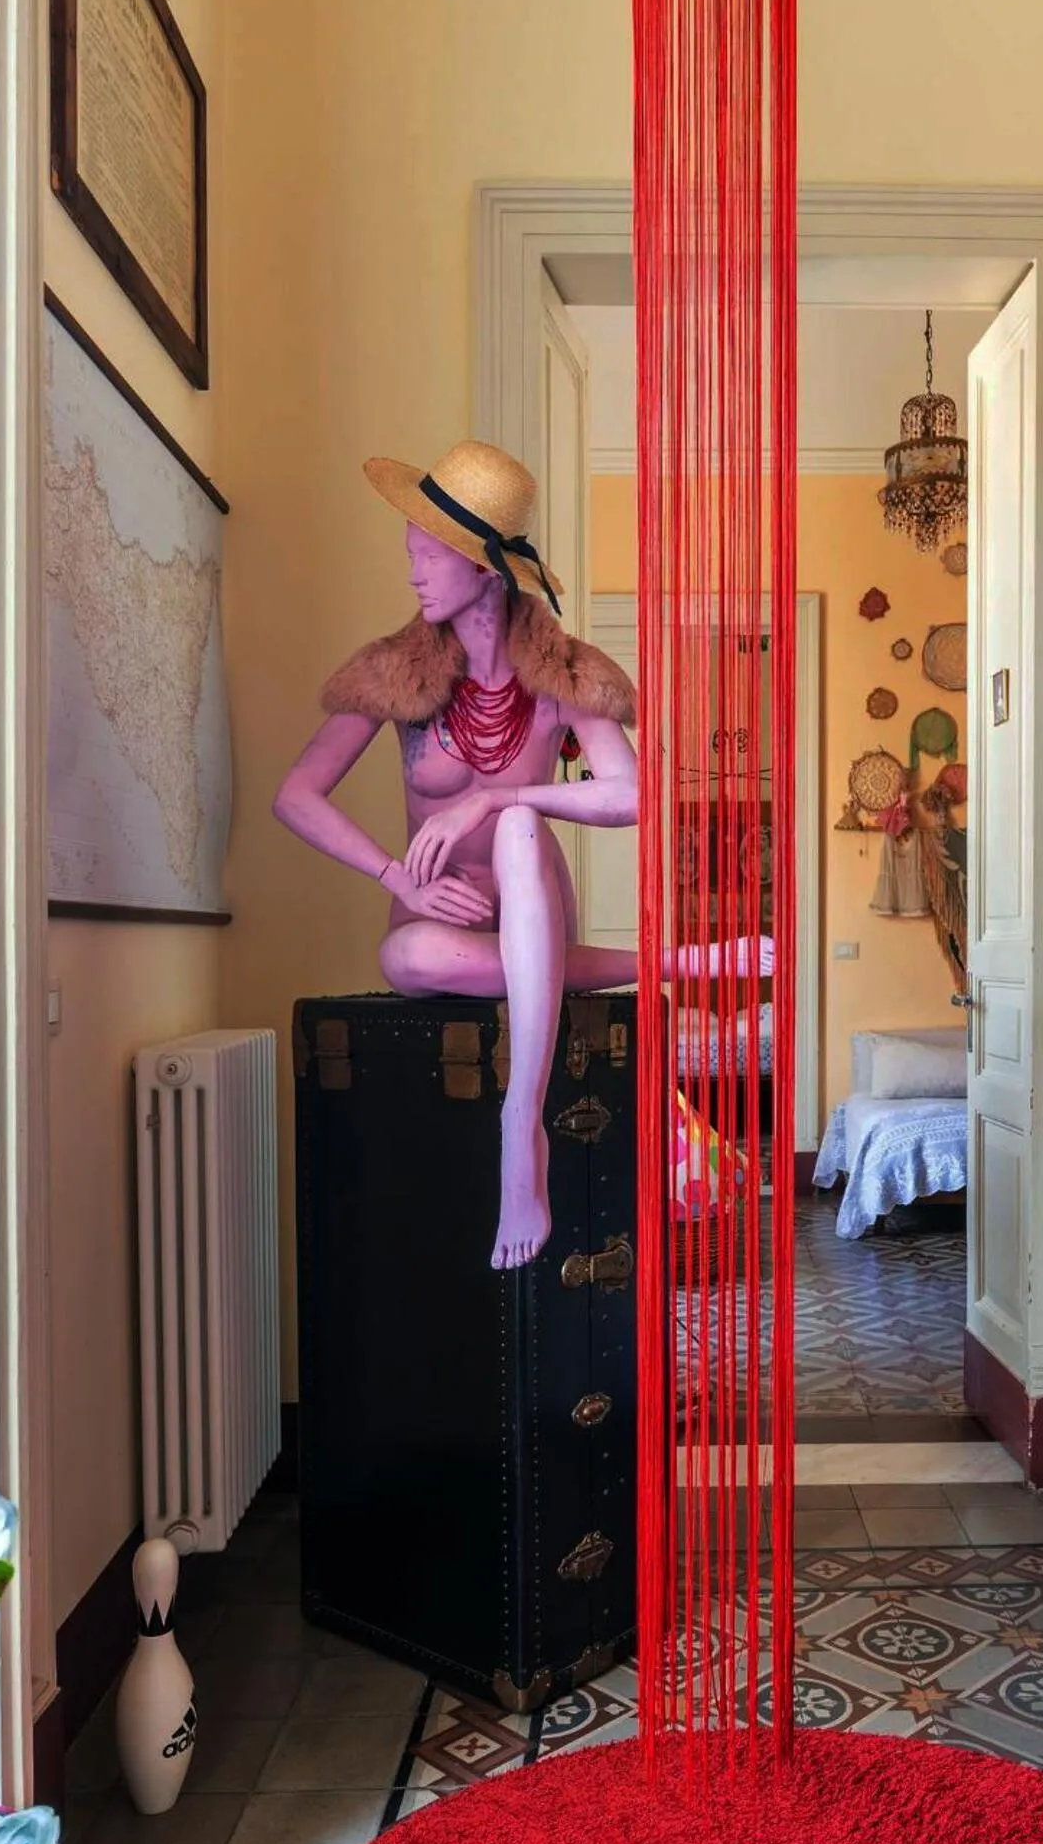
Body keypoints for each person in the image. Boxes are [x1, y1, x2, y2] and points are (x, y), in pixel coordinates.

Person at [274, 439, 771, 1271]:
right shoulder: (398, 671)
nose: (415, 574)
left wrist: (504, 796)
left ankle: (521, 1125)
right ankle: (671, 962)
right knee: (402, 953)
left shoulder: (561, 676)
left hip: (528, 892)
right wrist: (400, 878)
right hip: (442, 926)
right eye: (413, 556)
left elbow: (636, 794)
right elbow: (296, 796)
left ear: (488, 569)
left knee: (515, 827)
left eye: (430, 555)